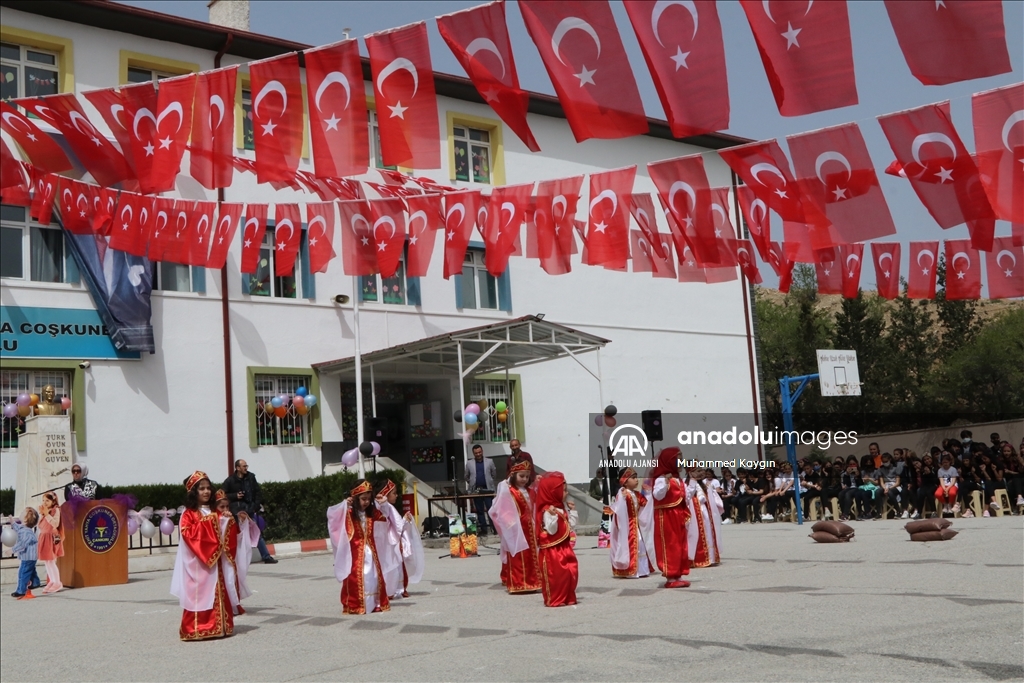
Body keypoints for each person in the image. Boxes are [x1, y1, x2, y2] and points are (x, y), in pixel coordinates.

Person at [170, 471, 239, 640]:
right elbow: (188, 534)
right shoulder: (189, 514)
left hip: (215, 562)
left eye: (208, 488)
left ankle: (221, 626)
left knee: (217, 591)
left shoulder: (216, 511)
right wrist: (213, 522)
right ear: (194, 491)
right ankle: (196, 628)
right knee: (200, 595)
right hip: (199, 563)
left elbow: (226, 533)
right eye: (201, 489)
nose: (206, 492)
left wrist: (229, 521)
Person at [326, 480, 395, 615]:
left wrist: (384, 504)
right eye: (363, 499)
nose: (366, 502)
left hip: (371, 552)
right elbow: (333, 517)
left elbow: (386, 518)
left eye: (369, 499)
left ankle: (376, 603)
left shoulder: (372, 514)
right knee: (358, 577)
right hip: (355, 554)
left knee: (374, 577)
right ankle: (356, 605)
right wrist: (344, 506)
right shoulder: (349, 513)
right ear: (356, 499)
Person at [490, 460, 541, 594]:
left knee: (531, 555)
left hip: (529, 527)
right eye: (521, 476)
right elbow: (501, 509)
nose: (524, 479)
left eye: (526, 476)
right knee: (518, 555)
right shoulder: (509, 491)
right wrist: (510, 525)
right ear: (513, 475)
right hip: (516, 528)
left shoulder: (529, 491)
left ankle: (532, 582)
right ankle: (519, 583)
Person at [375, 479, 424, 600]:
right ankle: (394, 589)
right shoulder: (387, 506)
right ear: (385, 495)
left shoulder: (384, 506)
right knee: (393, 565)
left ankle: (392, 588)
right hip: (389, 541)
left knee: (390, 565)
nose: (396, 495)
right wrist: (406, 521)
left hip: (385, 540)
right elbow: (399, 526)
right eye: (394, 493)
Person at [535, 472, 579, 607]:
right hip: (552, 551)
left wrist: (572, 512)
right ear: (552, 493)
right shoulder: (547, 510)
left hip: (565, 547)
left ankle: (568, 596)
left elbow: (570, 525)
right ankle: (556, 598)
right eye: (563, 490)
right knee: (556, 575)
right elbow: (552, 530)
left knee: (571, 572)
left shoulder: (561, 508)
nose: (566, 493)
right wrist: (552, 516)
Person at [649, 447, 690, 588]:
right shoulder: (662, 478)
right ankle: (670, 577)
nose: (681, 461)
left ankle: (678, 574)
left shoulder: (678, 479)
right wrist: (666, 483)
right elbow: (657, 495)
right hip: (666, 516)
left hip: (678, 514)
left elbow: (685, 495)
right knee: (670, 544)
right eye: (678, 459)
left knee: (680, 545)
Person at [222, 460, 277, 564]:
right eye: (243, 466)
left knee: (256, 533)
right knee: (238, 534)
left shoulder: (251, 477)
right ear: (237, 468)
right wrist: (235, 496)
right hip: (237, 511)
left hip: (250, 509)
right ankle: (236, 558)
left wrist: (255, 506)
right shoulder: (230, 480)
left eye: (246, 466)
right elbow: (222, 494)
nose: (246, 468)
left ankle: (266, 556)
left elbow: (257, 492)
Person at [609, 468, 655, 578]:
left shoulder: (637, 495)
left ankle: (641, 570)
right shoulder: (623, 493)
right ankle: (629, 569)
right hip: (627, 526)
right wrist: (622, 499)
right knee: (629, 545)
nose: (636, 480)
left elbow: (647, 506)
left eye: (636, 477)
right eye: (633, 478)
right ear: (624, 481)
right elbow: (618, 510)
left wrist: (648, 492)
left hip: (636, 525)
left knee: (641, 545)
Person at [465, 445, 497, 536]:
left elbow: (494, 473)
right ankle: (483, 529)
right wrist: (472, 483)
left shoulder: (489, 461)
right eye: (476, 453)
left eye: (479, 452)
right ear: (473, 453)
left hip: (488, 490)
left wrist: (490, 481)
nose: (478, 454)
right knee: (479, 510)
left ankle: (494, 528)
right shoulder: (469, 463)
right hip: (476, 490)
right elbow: (466, 476)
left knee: (491, 510)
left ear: (482, 451)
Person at [36, 492, 64, 594]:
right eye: (43, 500)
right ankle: (52, 581)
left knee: (51, 561)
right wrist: (43, 514)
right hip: (44, 537)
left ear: (53, 501)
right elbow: (40, 525)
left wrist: (47, 514)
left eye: (47, 500)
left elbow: (55, 524)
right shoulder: (45, 511)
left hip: (51, 538)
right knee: (47, 562)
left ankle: (57, 582)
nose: (45, 502)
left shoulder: (55, 510)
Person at [11, 508, 40, 599]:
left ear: (26, 519)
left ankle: (21, 591)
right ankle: (35, 582)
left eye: (23, 512)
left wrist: (12, 550)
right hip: (31, 556)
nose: (21, 512)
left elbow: (22, 544)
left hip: (28, 557)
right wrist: (12, 521)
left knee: (23, 573)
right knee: (30, 571)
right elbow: (18, 528)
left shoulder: (26, 532)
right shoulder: (23, 528)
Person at [878, 453, 904, 519]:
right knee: (877, 492)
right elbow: (881, 482)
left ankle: (898, 511)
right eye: (883, 462)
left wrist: (889, 488)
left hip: (894, 485)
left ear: (890, 460)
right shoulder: (881, 469)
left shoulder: (895, 468)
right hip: (885, 485)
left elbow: (898, 482)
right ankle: (879, 512)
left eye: (886, 461)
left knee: (890, 492)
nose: (885, 463)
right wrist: (885, 488)